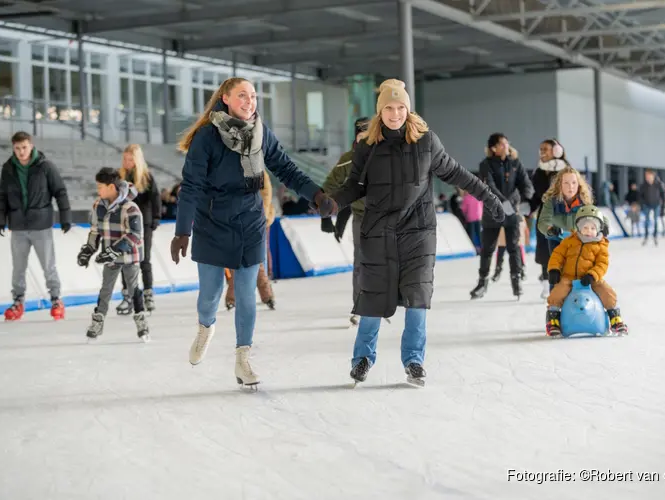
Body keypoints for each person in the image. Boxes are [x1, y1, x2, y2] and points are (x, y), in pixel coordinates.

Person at [329, 79, 504, 386]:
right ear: (379, 111)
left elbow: (456, 173)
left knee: (417, 297)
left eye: (400, 107)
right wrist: (328, 203)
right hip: (378, 232)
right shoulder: (367, 148)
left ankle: (414, 361)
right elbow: (353, 187)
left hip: (418, 231)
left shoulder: (426, 141)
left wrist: (488, 197)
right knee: (372, 297)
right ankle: (362, 359)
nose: (395, 113)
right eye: (388, 108)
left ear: (408, 109)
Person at [170, 77, 335, 389]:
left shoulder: (260, 133)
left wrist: (316, 195)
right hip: (211, 221)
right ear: (226, 99)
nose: (250, 101)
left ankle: (243, 359)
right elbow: (191, 186)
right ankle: (206, 327)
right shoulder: (207, 137)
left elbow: (286, 169)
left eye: (254, 96)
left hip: (249, 220)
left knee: (247, 293)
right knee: (211, 293)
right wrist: (182, 231)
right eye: (242, 96)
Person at [0, 131, 71, 321]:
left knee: (48, 265)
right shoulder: (8, 168)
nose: (21, 152)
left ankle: (56, 299)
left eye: (24, 147)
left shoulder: (45, 166)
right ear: (14, 148)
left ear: (31, 146)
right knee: (18, 267)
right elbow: (2, 196)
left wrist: (65, 217)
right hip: (18, 225)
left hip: (41, 224)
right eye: (17, 148)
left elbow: (59, 191)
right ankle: (18, 301)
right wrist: (0, 219)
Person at [76, 167, 150, 341]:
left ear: (111, 187)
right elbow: (95, 231)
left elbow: (135, 235)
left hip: (130, 256)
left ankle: (141, 321)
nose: (98, 190)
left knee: (133, 289)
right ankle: (98, 321)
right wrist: (88, 250)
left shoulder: (130, 208)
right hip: (110, 256)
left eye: (100, 186)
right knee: (105, 289)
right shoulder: (98, 206)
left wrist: (113, 251)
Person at [545, 205, 628, 336]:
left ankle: (615, 319)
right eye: (585, 227)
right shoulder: (569, 241)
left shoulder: (601, 246)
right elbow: (557, 255)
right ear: (579, 227)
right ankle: (553, 320)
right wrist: (554, 269)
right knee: (557, 293)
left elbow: (602, 264)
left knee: (607, 292)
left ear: (598, 229)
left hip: (591, 279)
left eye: (593, 228)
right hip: (569, 277)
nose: (589, 231)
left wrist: (592, 275)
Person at [470, 133, 533, 300]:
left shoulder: (515, 164)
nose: (506, 146)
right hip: (493, 213)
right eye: (501, 144)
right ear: (493, 148)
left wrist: (526, 200)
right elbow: (489, 187)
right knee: (487, 250)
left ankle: (516, 281)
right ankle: (482, 282)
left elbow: (525, 183)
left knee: (514, 248)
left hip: (512, 212)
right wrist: (504, 203)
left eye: (506, 143)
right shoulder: (485, 165)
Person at [321, 116, 370, 326]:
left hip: (387, 217)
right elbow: (330, 186)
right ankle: (360, 306)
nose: (364, 141)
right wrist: (325, 215)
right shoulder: (348, 159)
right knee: (361, 262)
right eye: (361, 137)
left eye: (368, 137)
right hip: (361, 217)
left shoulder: (387, 155)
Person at [116, 144, 161, 314]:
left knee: (144, 260)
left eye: (130, 159)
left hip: (143, 224)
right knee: (124, 260)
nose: (127, 162)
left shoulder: (146, 177)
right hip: (124, 225)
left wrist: (156, 218)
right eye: (125, 159)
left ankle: (148, 294)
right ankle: (128, 296)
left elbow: (155, 198)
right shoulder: (119, 177)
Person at [224, 169, 276, 310]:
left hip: (257, 220)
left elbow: (266, 192)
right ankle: (265, 295)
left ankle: (235, 297)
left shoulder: (256, 168)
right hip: (235, 221)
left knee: (254, 259)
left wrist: (261, 215)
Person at [537, 165, 609, 252]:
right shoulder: (551, 202)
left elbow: (598, 216)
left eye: (574, 182)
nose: (570, 186)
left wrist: (604, 226)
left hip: (579, 242)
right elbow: (543, 221)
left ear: (579, 184)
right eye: (566, 183)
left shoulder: (583, 202)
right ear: (560, 184)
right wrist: (550, 229)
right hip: (557, 242)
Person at [529, 139, 568, 299]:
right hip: (544, 218)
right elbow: (536, 197)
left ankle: (563, 282)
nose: (542, 152)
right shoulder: (538, 172)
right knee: (545, 252)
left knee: (560, 251)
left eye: (545, 149)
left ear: (557, 151)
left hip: (561, 216)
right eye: (540, 149)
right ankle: (547, 284)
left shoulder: (564, 170)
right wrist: (527, 207)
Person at [639, 169, 665, 246]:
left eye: (649, 176)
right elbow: (640, 196)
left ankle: (655, 236)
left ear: (653, 176)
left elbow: (662, 194)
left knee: (656, 220)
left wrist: (662, 207)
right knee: (646, 221)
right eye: (646, 176)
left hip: (656, 204)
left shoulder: (658, 184)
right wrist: (642, 205)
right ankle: (646, 236)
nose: (647, 177)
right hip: (647, 205)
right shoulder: (643, 185)